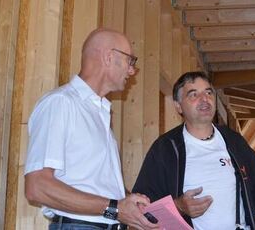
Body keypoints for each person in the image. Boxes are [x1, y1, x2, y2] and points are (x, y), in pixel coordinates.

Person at [133, 71, 255, 230]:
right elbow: (143, 208)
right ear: (178, 106)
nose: (204, 99)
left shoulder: (234, 142)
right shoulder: (166, 148)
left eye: (208, 92)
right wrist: (179, 206)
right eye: (193, 94)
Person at [24, 28, 159, 230]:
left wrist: (127, 201)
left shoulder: (98, 113)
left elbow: (89, 184)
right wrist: (115, 208)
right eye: (129, 61)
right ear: (108, 57)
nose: (131, 71)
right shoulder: (61, 103)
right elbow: (37, 187)